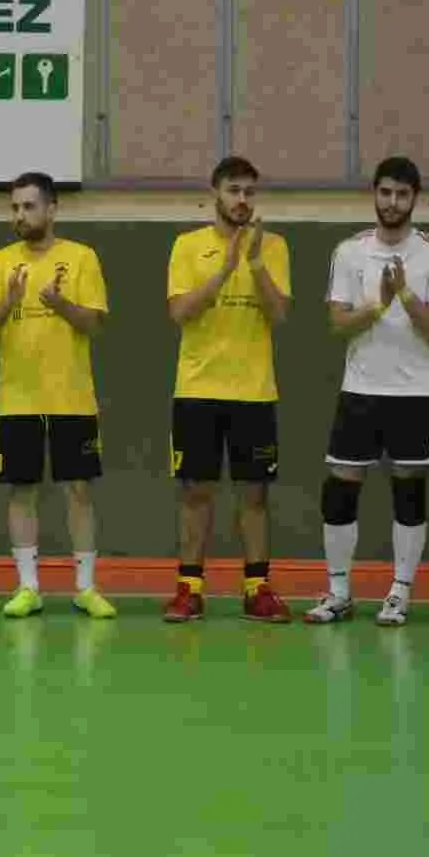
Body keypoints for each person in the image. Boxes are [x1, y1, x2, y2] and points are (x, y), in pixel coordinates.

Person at [306, 156, 429, 627]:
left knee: (409, 490)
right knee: (340, 488)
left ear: (415, 199)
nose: (393, 202)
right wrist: (379, 305)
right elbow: (338, 323)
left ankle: (399, 593)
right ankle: (339, 592)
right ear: (374, 194)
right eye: (386, 192)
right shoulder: (349, 252)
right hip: (360, 391)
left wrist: (405, 296)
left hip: (415, 395)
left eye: (402, 194)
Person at [160, 156, 294, 624]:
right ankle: (189, 589)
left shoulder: (274, 246)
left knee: (254, 495)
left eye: (249, 192)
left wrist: (253, 262)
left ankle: (257, 589)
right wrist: (225, 268)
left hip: (254, 391)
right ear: (215, 194)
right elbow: (180, 312)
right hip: (198, 389)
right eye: (234, 191)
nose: (242, 200)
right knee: (196, 492)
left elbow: (279, 313)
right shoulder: (187, 246)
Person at [0, 172, 115, 620]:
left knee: (79, 490)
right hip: (18, 400)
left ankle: (86, 588)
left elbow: (95, 323)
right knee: (22, 490)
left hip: (72, 398)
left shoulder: (81, 258)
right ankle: (28, 587)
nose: (20, 215)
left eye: (29, 206)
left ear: (52, 209)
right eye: (15, 207)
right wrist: (11, 300)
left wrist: (60, 304)